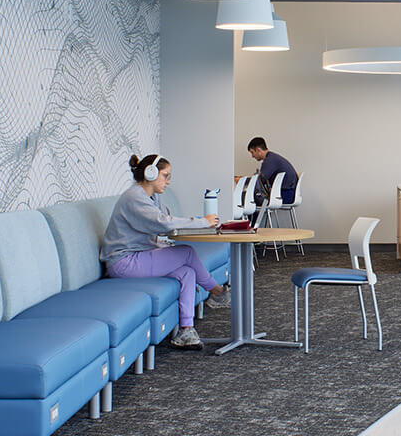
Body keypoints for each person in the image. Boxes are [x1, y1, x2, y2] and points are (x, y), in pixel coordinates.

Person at [101, 154, 230, 350]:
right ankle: (218, 292)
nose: (168, 182)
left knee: (188, 272)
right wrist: (203, 222)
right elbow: (163, 223)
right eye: (165, 176)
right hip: (123, 263)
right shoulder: (135, 197)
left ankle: (186, 330)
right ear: (150, 173)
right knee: (186, 253)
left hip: (139, 256)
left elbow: (162, 223)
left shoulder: (150, 196)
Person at [247, 136, 298, 207]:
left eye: (252, 152)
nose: (252, 156)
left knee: (248, 198)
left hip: (285, 195)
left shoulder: (269, 161)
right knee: (253, 197)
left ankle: (251, 218)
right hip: (290, 193)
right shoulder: (273, 158)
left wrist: (242, 181)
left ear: (258, 150)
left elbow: (259, 181)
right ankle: (256, 218)